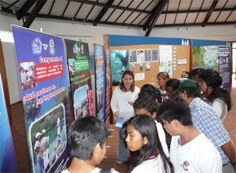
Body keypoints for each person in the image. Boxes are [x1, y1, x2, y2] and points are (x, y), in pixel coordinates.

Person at [176, 79, 236, 172]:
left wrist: (234, 162)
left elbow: (224, 141)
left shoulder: (200, 111)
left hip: (221, 166)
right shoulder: (194, 109)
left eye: (179, 95)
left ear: (184, 93)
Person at [158, 98, 222, 172]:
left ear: (175, 123)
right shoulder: (176, 137)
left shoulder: (207, 153)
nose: (164, 127)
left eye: (165, 123)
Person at [110, 70, 140, 164]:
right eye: (126, 79)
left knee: (134, 137)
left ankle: (135, 156)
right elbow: (113, 103)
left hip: (133, 117)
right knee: (121, 137)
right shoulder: (117, 90)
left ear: (133, 80)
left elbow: (140, 103)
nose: (128, 81)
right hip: (120, 118)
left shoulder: (137, 90)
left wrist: (136, 104)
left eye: (130, 79)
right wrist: (115, 112)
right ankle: (122, 157)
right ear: (122, 79)